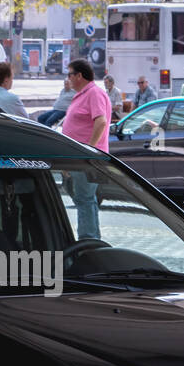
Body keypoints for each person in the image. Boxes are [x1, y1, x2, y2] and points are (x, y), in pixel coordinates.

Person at [59, 59, 111, 240]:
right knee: (85, 199)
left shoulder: (94, 94)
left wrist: (88, 149)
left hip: (86, 159)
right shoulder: (82, 94)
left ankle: (88, 239)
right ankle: (91, 239)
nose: (68, 79)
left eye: (70, 74)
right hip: (77, 158)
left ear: (79, 76)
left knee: (85, 200)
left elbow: (101, 121)